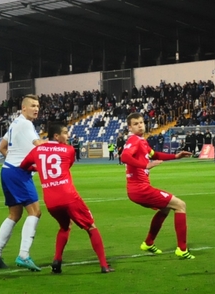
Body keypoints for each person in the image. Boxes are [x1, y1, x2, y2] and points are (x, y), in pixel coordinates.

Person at [19, 123, 113, 274]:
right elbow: (66, 166)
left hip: (51, 201)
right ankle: (103, 265)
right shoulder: (69, 150)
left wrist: (38, 168)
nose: (68, 136)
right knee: (91, 227)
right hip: (69, 197)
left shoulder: (37, 150)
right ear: (56, 136)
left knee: (64, 226)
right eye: (65, 133)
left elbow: (23, 166)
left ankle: (57, 261)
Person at [120, 111, 195, 259]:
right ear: (129, 127)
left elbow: (155, 155)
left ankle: (148, 243)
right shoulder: (134, 140)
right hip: (140, 189)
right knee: (180, 205)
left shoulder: (142, 141)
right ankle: (182, 249)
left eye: (141, 122)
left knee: (166, 209)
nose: (140, 126)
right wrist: (145, 165)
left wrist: (175, 156)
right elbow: (124, 156)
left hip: (137, 190)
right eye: (135, 124)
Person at [0, 94, 44, 271]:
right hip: (19, 173)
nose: (36, 109)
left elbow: (3, 147)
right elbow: (39, 145)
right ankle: (24, 255)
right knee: (35, 212)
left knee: (14, 214)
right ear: (24, 108)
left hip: (7, 170)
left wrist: (13, 160)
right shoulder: (26, 124)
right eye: (33, 105)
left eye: (38, 106)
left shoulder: (15, 123)